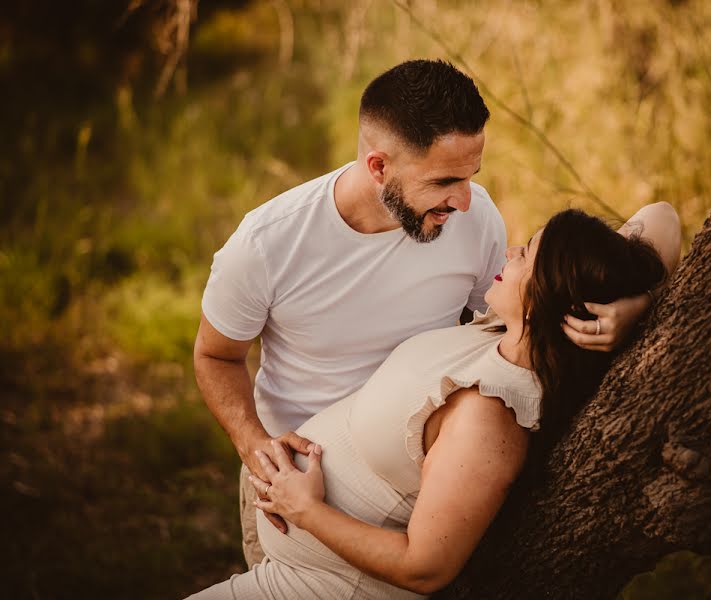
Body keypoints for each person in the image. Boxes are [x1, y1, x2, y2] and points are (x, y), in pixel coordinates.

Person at [193, 59, 653, 568]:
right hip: (296, 490)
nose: (463, 199)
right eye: (443, 181)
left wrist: (637, 308)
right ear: (378, 167)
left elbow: (512, 324)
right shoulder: (266, 244)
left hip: (422, 491)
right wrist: (257, 447)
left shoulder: (475, 219)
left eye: (471, 176)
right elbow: (216, 356)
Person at [186, 204, 682, 599]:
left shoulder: (488, 418)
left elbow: (425, 568)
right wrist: (638, 307)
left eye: (526, 256)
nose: (509, 253)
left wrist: (307, 510)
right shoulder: (503, 334)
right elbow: (661, 215)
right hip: (297, 560)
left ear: (551, 299)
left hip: (328, 587)